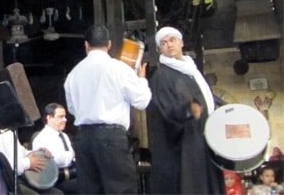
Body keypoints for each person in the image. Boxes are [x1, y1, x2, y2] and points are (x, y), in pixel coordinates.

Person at [63, 24, 151, 194]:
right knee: (120, 189)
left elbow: (73, 109)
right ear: (109, 44)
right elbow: (142, 101)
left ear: (86, 45)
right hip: (111, 137)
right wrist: (141, 80)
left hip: (84, 138)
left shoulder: (73, 74)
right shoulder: (119, 69)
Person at [148, 26, 225, 194]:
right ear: (160, 49)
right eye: (163, 43)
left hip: (204, 140)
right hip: (185, 146)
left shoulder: (193, 72)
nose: (169, 45)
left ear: (181, 43)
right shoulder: (162, 76)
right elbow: (165, 110)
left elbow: (208, 99)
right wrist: (188, 110)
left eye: (172, 40)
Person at [0, 103, 60, 195]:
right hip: (7, 183)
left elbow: (21, 153)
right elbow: (1, 165)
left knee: (56, 193)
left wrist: (38, 152)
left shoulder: (4, 131)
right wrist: (28, 163)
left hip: (19, 179)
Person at [32, 103, 78, 194]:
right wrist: (73, 154)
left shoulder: (63, 135)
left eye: (65, 116)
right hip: (56, 180)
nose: (65, 120)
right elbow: (54, 160)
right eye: (60, 117)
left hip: (72, 174)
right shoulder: (41, 138)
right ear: (49, 118)